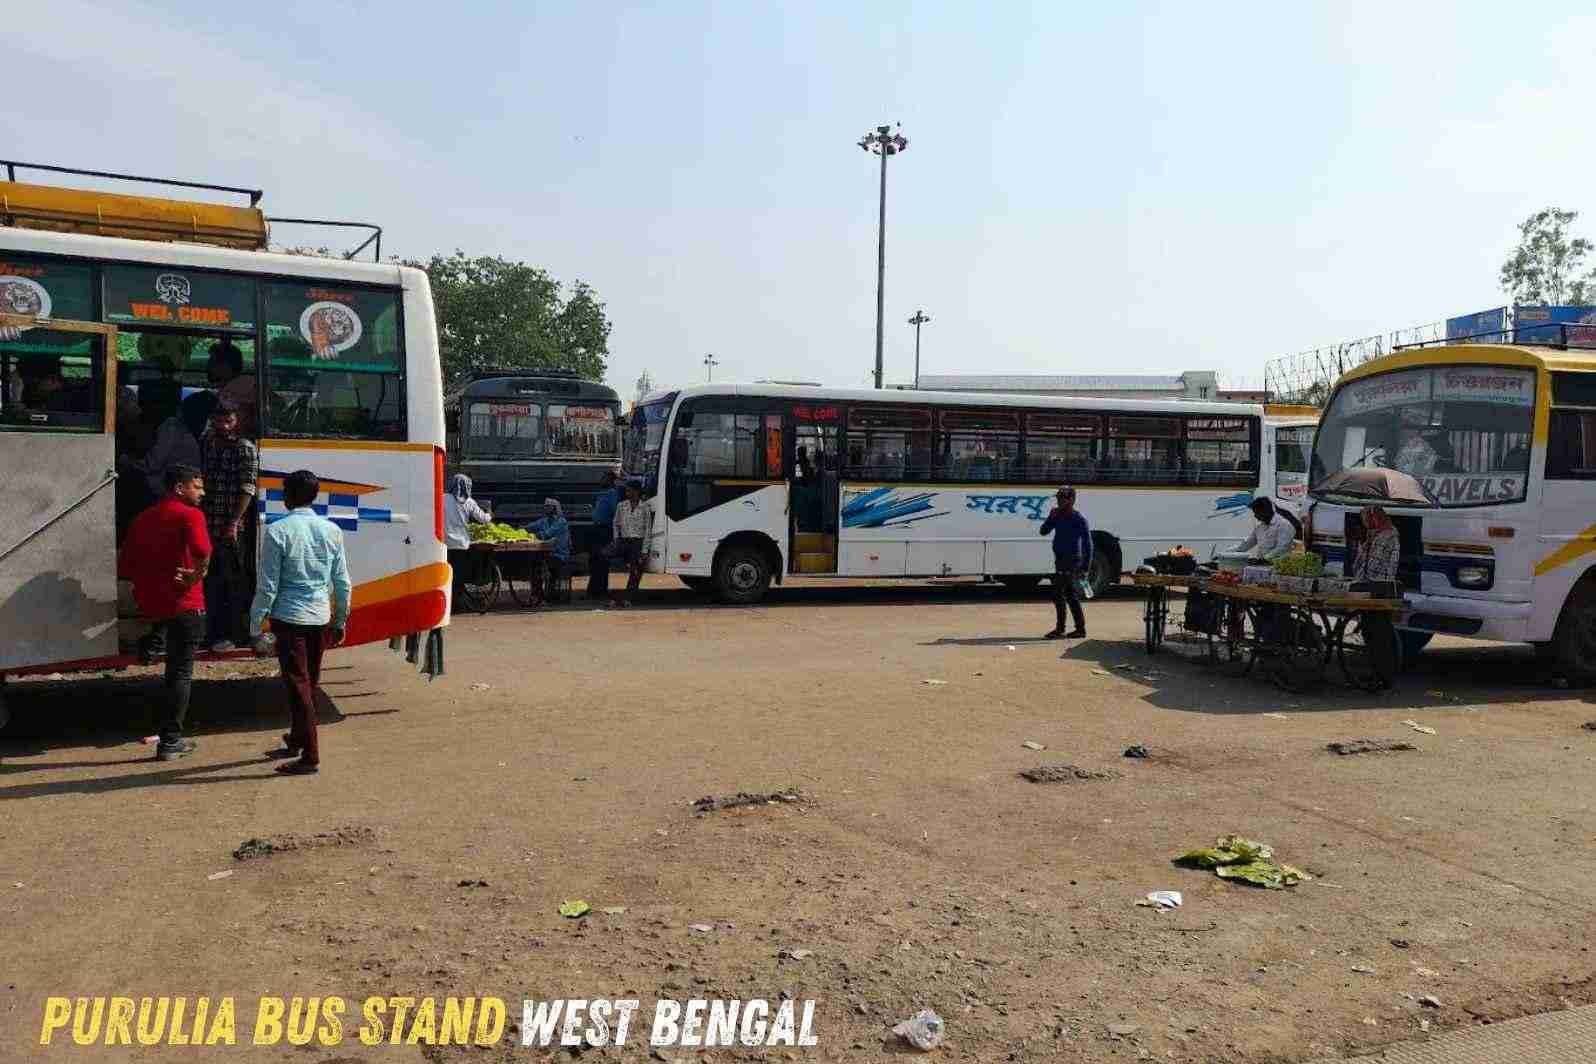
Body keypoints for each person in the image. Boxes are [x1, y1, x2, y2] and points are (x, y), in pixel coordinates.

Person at [249, 470, 352, 776]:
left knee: (298, 684)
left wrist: (256, 625)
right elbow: (342, 582)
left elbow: (268, 586)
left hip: (290, 617)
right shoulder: (332, 530)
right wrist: (341, 619)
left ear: (287, 496)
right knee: (309, 682)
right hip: (320, 616)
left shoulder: (278, 531)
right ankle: (296, 739)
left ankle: (310, 755)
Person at [117, 464, 212, 761]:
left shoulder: (143, 518)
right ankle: (170, 742)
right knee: (180, 674)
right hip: (186, 604)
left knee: (171, 668)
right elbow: (202, 550)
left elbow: (126, 568)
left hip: (152, 606)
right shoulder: (191, 515)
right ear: (179, 488)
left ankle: (152, 641)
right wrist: (197, 575)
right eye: (197, 487)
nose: (202, 492)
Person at [201, 400, 259, 651]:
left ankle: (234, 633)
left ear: (238, 421)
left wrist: (234, 522)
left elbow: (248, 487)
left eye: (229, 420)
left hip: (232, 527)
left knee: (233, 581)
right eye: (219, 420)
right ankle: (214, 632)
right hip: (208, 523)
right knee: (212, 580)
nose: (223, 426)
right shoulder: (208, 443)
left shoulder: (244, 447)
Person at [1039, 486, 1091, 640]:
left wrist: (1085, 567)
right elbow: (1043, 531)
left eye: (1063, 498)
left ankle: (1061, 629)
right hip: (1060, 559)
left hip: (1073, 560)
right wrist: (1051, 518)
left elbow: (1088, 544)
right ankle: (1079, 629)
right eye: (1058, 498)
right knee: (1070, 594)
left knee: (1058, 593)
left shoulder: (1079, 519)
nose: (1059, 501)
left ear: (1072, 500)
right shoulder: (1057, 515)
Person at [608, 478, 649, 607]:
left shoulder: (644, 507)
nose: (627, 493)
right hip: (624, 541)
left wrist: (644, 551)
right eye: (626, 490)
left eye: (629, 490)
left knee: (636, 571)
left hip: (637, 542)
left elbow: (647, 530)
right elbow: (615, 523)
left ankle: (628, 598)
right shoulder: (621, 506)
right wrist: (616, 539)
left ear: (636, 492)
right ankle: (614, 596)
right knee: (608, 560)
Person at [526, 497, 573, 603]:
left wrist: (533, 535)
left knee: (542, 566)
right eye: (545, 506)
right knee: (534, 564)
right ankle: (538, 594)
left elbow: (547, 534)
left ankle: (543, 595)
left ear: (554, 508)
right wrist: (521, 529)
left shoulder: (561, 522)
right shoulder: (544, 521)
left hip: (559, 555)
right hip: (547, 553)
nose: (546, 508)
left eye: (548, 506)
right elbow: (531, 526)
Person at [207, 340, 257, 436]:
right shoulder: (237, 385)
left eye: (212, 361)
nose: (208, 366)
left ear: (226, 366)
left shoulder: (242, 386)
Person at [587, 468, 621, 600]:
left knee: (602, 560)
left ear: (610, 480)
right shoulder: (603, 493)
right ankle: (593, 590)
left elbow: (615, 512)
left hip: (605, 530)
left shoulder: (613, 493)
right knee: (594, 560)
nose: (602, 480)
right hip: (597, 529)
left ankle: (600, 590)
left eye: (604, 478)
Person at [1236, 497, 1295, 562]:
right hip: (1262, 564)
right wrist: (1232, 552)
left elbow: (1282, 548)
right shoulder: (1260, 527)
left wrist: (1264, 559)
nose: (1255, 516)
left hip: (1279, 565)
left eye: (1256, 512)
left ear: (1265, 511)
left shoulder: (1284, 525)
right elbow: (1248, 543)